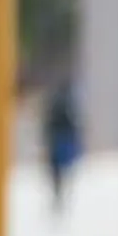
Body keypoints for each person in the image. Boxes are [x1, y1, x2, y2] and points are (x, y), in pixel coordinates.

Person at [47, 83, 84, 213]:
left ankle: (59, 198)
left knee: (58, 175)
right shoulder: (64, 108)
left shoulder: (55, 108)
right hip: (59, 143)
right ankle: (59, 198)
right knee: (61, 174)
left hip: (57, 143)